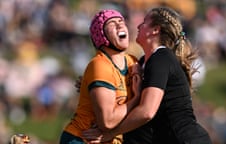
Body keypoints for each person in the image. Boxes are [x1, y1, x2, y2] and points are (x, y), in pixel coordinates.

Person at [82, 7, 212, 144]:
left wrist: (111, 133)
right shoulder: (144, 62)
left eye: (144, 22)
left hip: (184, 139)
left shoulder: (161, 58)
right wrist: (91, 80)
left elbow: (147, 112)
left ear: (155, 30)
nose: (138, 26)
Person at [59, 9, 150, 144]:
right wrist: (136, 98)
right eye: (112, 23)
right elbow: (107, 122)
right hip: (83, 139)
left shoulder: (133, 62)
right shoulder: (100, 65)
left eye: (121, 21)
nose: (120, 25)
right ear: (101, 35)